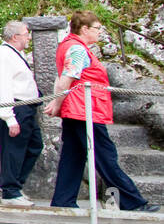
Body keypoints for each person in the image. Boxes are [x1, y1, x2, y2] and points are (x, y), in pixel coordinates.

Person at [45, 11, 160, 212]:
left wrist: (59, 104)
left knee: (73, 156)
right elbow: (67, 78)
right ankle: (133, 202)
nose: (100, 33)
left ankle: (63, 200)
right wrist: (56, 104)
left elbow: (62, 78)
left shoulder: (69, 46)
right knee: (106, 156)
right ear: (84, 29)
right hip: (85, 111)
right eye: (97, 28)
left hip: (78, 110)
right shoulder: (78, 50)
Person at [0, 21, 42, 206]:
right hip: (15, 107)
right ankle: (10, 191)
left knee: (35, 145)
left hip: (26, 106)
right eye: (26, 34)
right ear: (15, 37)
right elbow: (3, 86)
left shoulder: (15, 54)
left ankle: (16, 186)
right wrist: (9, 118)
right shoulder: (3, 55)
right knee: (14, 149)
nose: (28, 37)